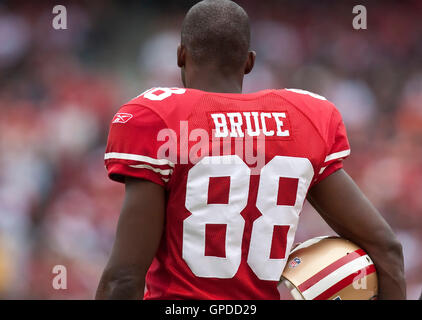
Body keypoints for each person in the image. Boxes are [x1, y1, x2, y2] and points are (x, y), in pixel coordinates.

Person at [95, 0, 405, 300]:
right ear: (249, 61)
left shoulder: (159, 118)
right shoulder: (303, 119)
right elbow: (386, 249)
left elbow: (124, 278)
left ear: (180, 55)